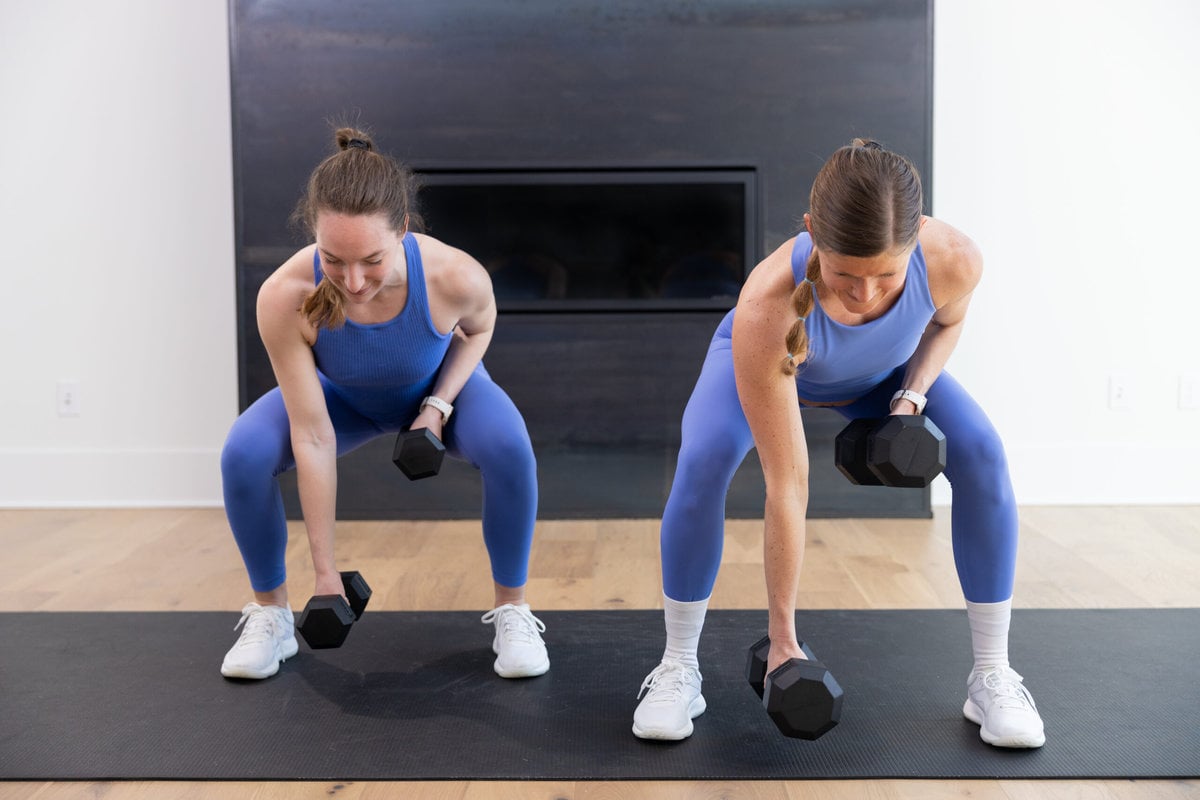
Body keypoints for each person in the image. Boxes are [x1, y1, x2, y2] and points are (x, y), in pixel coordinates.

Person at [631, 139, 1045, 748]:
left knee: (981, 452)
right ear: (811, 232)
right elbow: (789, 487)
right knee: (704, 458)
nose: (867, 294)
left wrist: (912, 397)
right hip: (772, 366)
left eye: (887, 274)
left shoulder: (955, 258)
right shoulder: (768, 303)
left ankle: (992, 674)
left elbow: (947, 324)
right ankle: (677, 667)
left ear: (919, 234)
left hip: (880, 378)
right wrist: (782, 639)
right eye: (846, 274)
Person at [219, 127, 548, 682]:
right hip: (338, 403)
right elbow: (315, 434)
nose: (352, 281)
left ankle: (513, 609)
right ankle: (271, 616)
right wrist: (325, 575)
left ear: (402, 229)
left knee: (511, 447)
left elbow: (478, 329)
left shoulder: (453, 276)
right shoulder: (284, 297)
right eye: (333, 260)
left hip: (439, 391)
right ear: (313, 237)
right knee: (243, 454)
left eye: (371, 260)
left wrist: (439, 405)